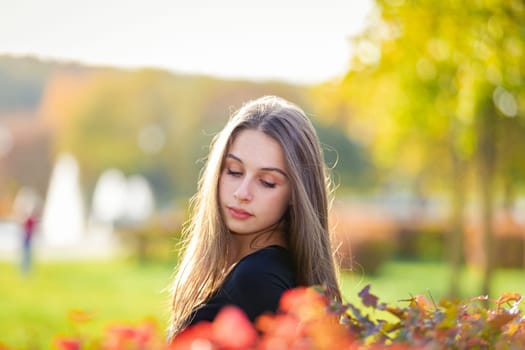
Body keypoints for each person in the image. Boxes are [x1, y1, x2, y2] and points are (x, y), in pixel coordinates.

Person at [168, 96, 341, 339]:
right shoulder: (268, 271)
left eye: (267, 182)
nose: (242, 193)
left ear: (295, 194)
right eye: (234, 171)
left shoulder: (257, 279)